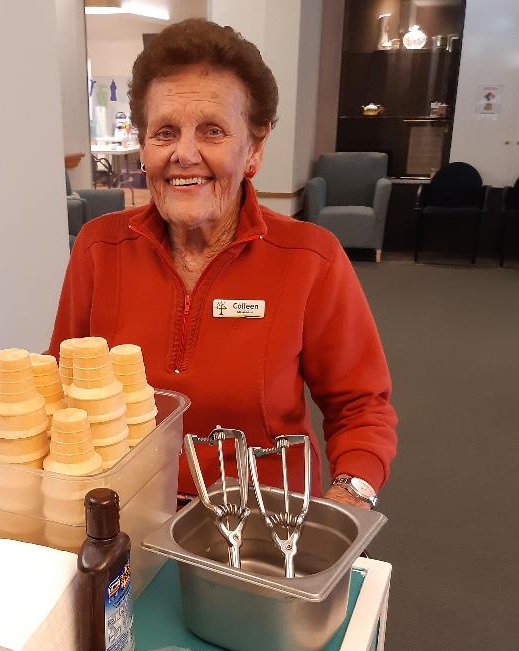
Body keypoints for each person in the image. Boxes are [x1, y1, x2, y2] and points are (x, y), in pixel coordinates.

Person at [49, 18, 397, 509]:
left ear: (254, 148)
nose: (184, 155)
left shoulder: (310, 259)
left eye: (212, 132)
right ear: (144, 146)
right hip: (125, 512)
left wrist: (350, 493)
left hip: (261, 520)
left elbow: (361, 407)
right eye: (164, 132)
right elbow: (63, 389)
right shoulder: (98, 247)